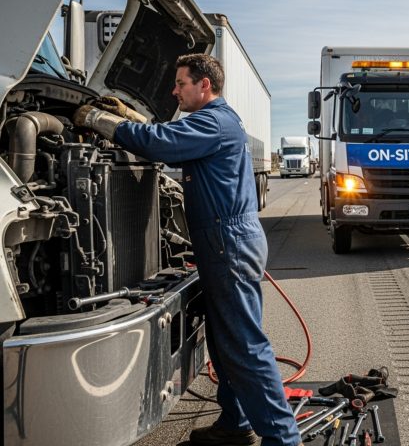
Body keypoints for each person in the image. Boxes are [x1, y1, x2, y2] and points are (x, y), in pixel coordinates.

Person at [73, 54, 302, 446]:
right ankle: (236, 421)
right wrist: (129, 114)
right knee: (223, 339)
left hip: (227, 243)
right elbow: (168, 133)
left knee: (245, 345)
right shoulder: (213, 121)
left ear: (204, 86)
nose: (174, 90)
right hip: (225, 242)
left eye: (180, 83)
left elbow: (160, 143)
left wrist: (101, 121)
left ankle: (283, 438)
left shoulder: (214, 121)